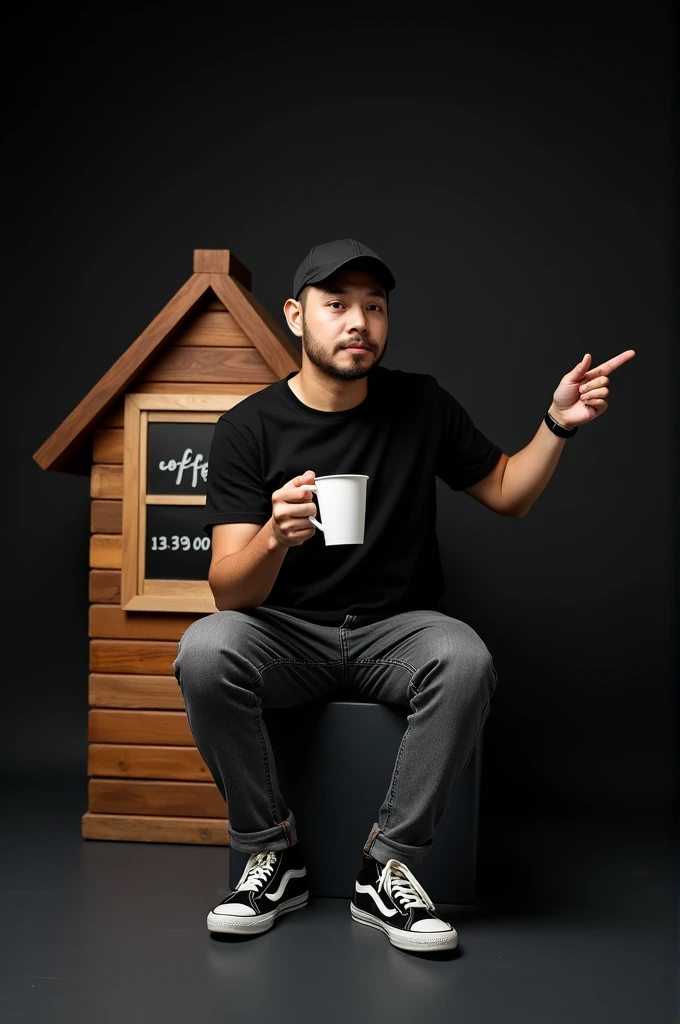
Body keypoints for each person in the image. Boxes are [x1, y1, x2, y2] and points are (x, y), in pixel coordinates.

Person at [172, 237, 633, 954]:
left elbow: (508, 493)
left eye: (374, 306)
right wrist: (274, 537)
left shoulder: (420, 404)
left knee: (464, 657)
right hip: (286, 632)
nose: (358, 321)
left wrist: (555, 425)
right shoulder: (248, 429)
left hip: (397, 628)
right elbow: (229, 591)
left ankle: (387, 867)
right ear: (296, 316)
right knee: (203, 650)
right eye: (337, 305)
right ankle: (272, 854)